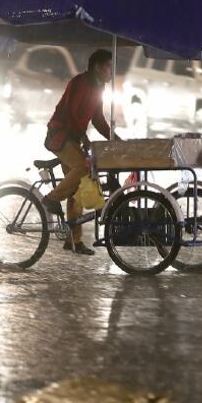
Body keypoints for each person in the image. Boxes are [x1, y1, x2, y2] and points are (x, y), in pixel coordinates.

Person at [43, 49, 120, 255]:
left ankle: (73, 240)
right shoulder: (79, 83)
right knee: (83, 168)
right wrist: (84, 139)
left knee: (76, 189)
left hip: (73, 137)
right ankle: (51, 198)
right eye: (108, 66)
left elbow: (97, 119)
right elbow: (71, 115)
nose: (111, 71)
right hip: (60, 135)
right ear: (97, 67)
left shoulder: (99, 86)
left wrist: (115, 138)